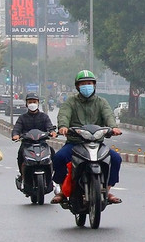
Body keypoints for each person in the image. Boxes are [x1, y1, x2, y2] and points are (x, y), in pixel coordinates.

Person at [51, 70, 123, 204]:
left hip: (97, 143)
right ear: (77, 86)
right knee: (59, 158)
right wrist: (63, 126)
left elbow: (108, 115)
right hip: (75, 143)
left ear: (94, 85)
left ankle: (107, 190)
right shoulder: (71, 102)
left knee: (116, 158)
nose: (86, 86)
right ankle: (62, 191)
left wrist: (113, 128)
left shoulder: (101, 102)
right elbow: (64, 114)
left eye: (89, 83)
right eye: (83, 84)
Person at [12, 91, 56, 181]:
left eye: (34, 102)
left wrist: (52, 132)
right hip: (27, 144)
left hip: (42, 143)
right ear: (26, 104)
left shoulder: (44, 117)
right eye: (30, 102)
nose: (32, 104)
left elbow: (49, 127)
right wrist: (15, 135)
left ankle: (52, 175)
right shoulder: (22, 118)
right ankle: (22, 176)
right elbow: (17, 128)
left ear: (38, 103)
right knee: (20, 154)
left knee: (52, 152)